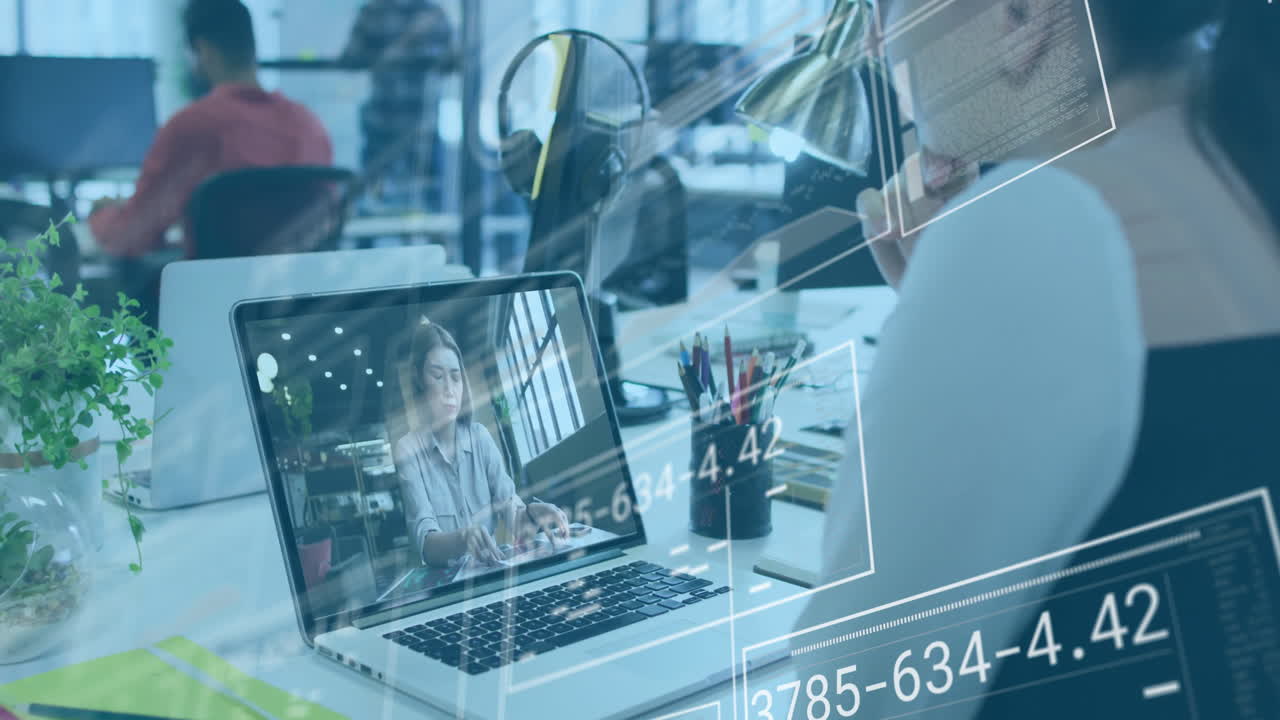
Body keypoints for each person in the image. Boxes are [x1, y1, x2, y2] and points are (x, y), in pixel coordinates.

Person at [792, 0, 1280, 716]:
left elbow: (858, 690)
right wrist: (942, 318)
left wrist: (963, 295)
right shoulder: (1240, 169)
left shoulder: (1044, 224)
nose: (873, 41)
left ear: (1021, 19)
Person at [89, 0, 333, 258]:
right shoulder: (310, 125)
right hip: (299, 291)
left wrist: (101, 215)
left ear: (202, 50)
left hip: (217, 294)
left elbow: (129, 237)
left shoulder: (192, 126)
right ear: (251, 46)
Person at [394, 320, 568, 568]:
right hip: (448, 590)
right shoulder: (408, 450)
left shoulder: (480, 437)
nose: (449, 389)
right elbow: (426, 544)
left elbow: (512, 513)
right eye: (437, 376)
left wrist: (532, 513)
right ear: (420, 380)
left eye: (455, 377)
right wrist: (463, 539)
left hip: (488, 576)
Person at [340, 0, 454, 210]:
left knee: (370, 201)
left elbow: (350, 59)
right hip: (420, 124)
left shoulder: (373, 12)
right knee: (431, 200)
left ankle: (369, 240)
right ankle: (436, 240)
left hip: (384, 120)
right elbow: (453, 61)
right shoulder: (433, 13)